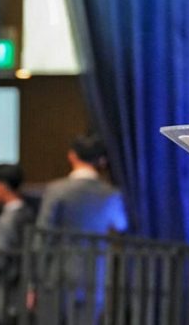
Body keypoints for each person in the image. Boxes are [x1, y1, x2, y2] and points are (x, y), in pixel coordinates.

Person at [34, 135, 127, 325]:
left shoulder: (56, 190)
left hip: (58, 273)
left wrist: (34, 279)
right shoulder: (111, 194)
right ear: (102, 160)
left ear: (72, 155)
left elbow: (43, 235)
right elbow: (121, 224)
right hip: (96, 274)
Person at [0, 164, 34, 325]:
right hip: (19, 295)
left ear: (2, 186)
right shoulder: (28, 212)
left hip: (2, 296)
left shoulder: (6, 220)